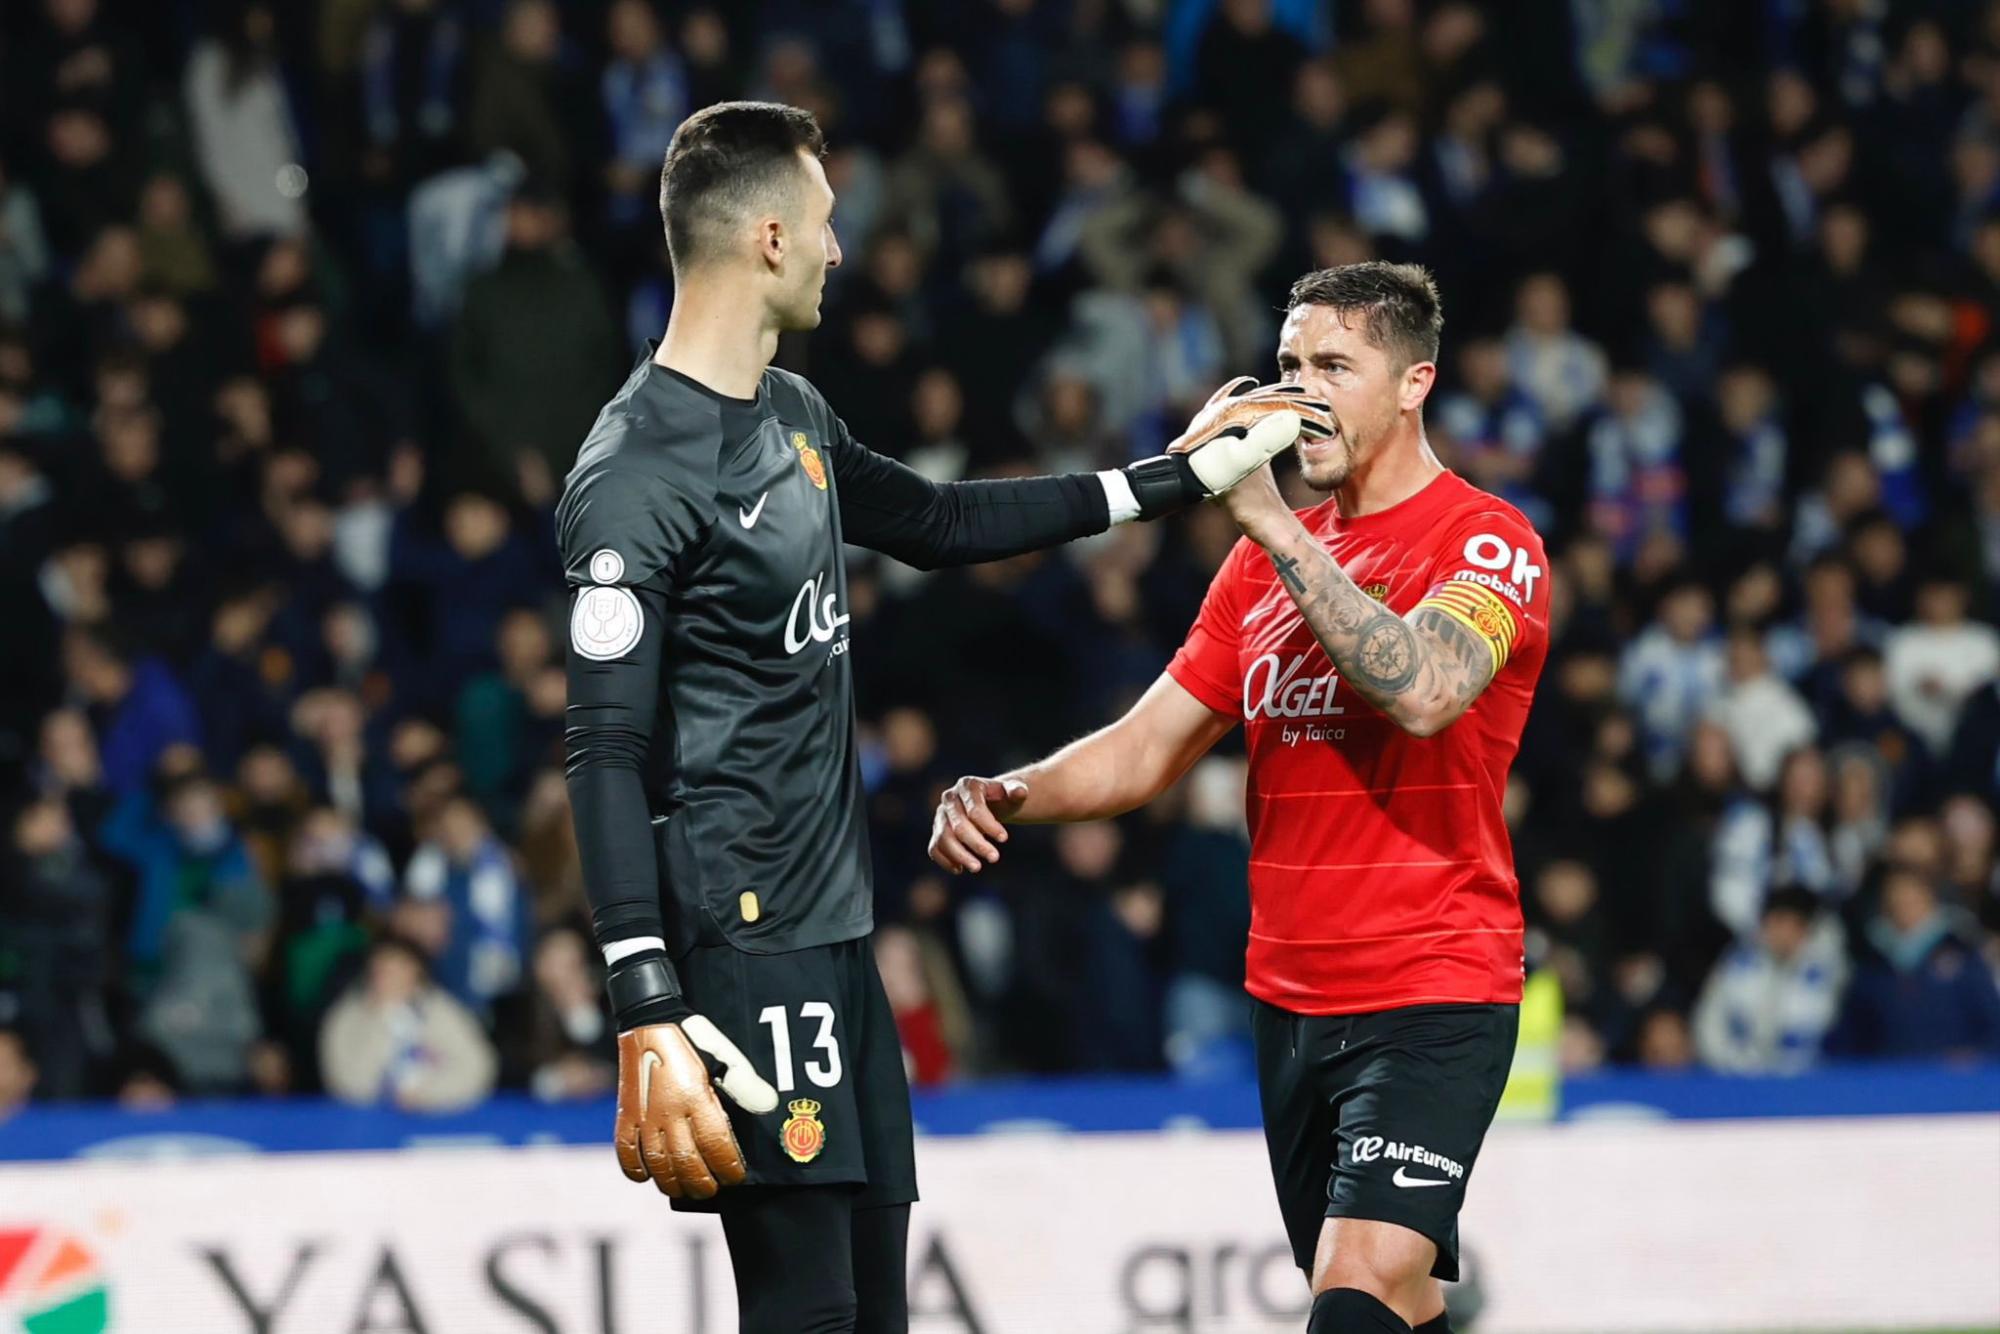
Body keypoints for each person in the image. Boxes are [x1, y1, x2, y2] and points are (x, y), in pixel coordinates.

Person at [557, 100, 1331, 1334]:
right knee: (803, 1310)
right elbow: (599, 745)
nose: (837, 248)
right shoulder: (635, 471)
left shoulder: (792, 418)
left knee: (873, 1315)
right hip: (741, 939)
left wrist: (1171, 479)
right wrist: (644, 994)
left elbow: (939, 521)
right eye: (820, 222)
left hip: (839, 931)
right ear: (764, 238)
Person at [930, 262, 1550, 1334]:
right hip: (1289, 995)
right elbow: (1142, 749)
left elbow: (1421, 689)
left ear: (1413, 383)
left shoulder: (1482, 540)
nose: (1299, 392)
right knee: (1393, 1302)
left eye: (1333, 367)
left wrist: (1269, 521)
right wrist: (1007, 790)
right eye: (1286, 366)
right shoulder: (1255, 577)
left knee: (1353, 1286)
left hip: (1430, 985)